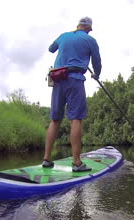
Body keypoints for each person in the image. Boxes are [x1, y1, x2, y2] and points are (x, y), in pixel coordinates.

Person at [42, 16, 102, 172]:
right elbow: (97, 62)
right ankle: (77, 163)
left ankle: (47, 159)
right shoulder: (90, 40)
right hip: (74, 79)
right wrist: (97, 74)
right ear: (88, 28)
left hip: (58, 78)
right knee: (76, 119)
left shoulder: (64, 35)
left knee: (55, 120)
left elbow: (51, 48)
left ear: (78, 25)